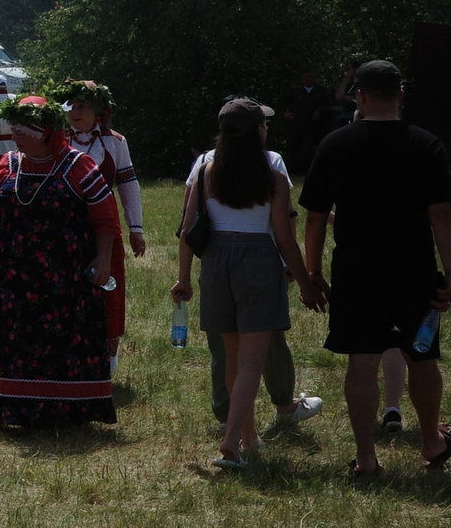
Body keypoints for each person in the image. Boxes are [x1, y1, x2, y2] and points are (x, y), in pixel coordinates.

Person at [298, 59, 451, 477]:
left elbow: (314, 216)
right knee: (421, 356)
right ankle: (431, 442)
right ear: (401, 95)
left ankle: (366, 458)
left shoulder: (335, 144)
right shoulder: (427, 145)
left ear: (359, 96)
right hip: (413, 268)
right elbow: (441, 215)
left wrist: (311, 271)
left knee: (362, 360)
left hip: (356, 269)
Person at [0, 95, 119, 433]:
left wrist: (103, 260)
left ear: (45, 132)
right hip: (14, 280)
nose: (15, 137)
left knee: (63, 343)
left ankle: (68, 410)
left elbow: (105, 218)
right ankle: (12, 408)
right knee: (17, 341)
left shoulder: (78, 166)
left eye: (22, 132)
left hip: (66, 280)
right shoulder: (8, 165)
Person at [171, 97, 313, 470]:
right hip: (258, 264)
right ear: (258, 132)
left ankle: (248, 436)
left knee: (232, 359)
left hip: (216, 263)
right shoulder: (274, 178)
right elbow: (284, 239)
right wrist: (306, 281)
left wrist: (183, 278)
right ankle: (231, 443)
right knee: (252, 361)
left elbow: (188, 232)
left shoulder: (205, 171)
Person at [60, 82, 147, 376]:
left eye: (82, 106)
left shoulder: (114, 142)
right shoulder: (57, 140)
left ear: (99, 111)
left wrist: (136, 228)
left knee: (108, 294)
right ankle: (68, 362)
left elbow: (128, 183)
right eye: (71, 105)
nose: (74, 111)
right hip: (67, 231)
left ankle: (106, 369)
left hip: (105, 231)